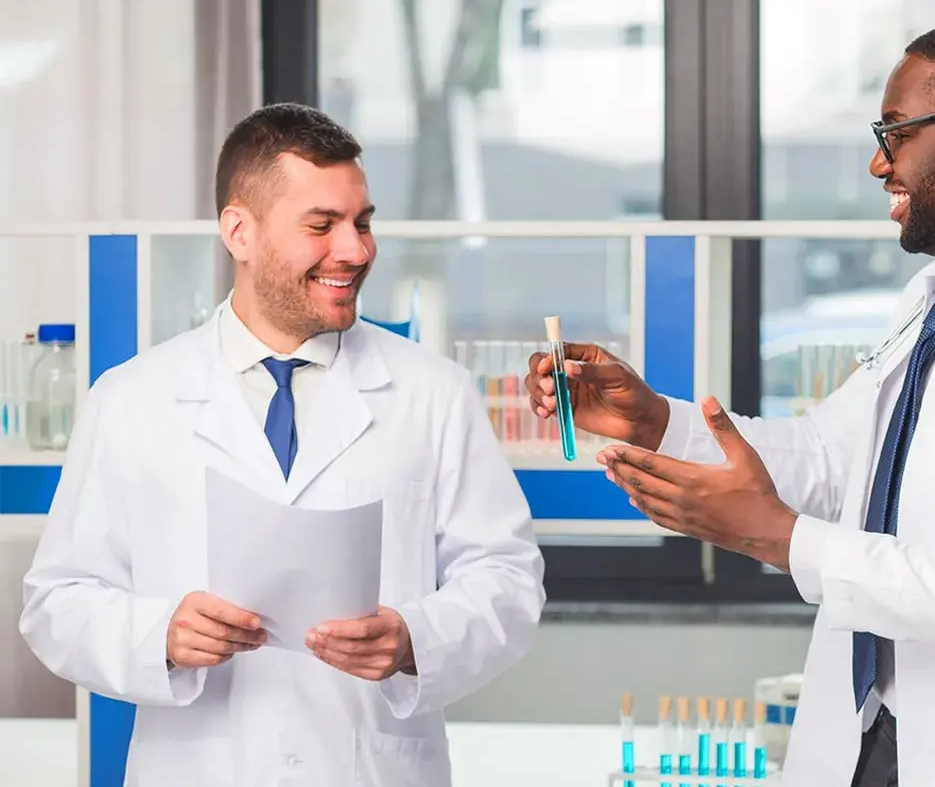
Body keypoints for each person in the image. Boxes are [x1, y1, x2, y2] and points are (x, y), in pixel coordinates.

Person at [527, 18, 935, 787]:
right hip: (873, 739)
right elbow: (831, 458)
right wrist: (656, 421)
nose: (880, 163)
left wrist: (782, 540)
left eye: (896, 133)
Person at [21, 103, 545, 786]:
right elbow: (57, 603)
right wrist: (161, 634)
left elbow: (508, 578)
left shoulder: (433, 394)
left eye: (362, 223)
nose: (355, 251)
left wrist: (416, 638)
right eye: (322, 226)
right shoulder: (131, 399)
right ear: (239, 231)